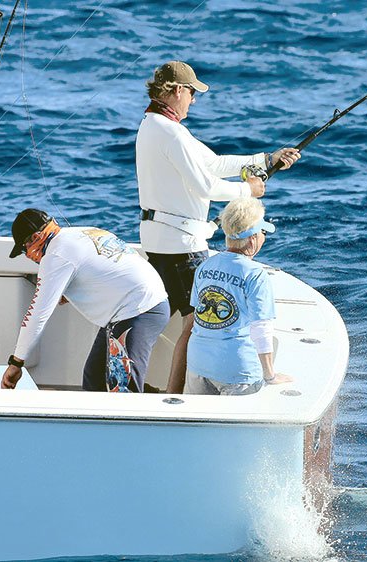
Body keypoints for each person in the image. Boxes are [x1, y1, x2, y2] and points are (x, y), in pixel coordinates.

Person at [136, 60, 300, 394]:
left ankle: (139, 387)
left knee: (153, 317)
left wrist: (266, 160)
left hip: (158, 239)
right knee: (195, 324)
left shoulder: (154, 126)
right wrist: (247, 190)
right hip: (183, 244)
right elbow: (206, 186)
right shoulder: (170, 133)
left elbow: (213, 163)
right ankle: (173, 395)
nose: (194, 100)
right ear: (177, 91)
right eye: (192, 93)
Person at [1, 209, 169, 392]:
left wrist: (16, 363)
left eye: (25, 249)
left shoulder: (55, 256)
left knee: (123, 389)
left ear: (35, 238)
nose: (28, 256)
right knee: (93, 377)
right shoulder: (81, 233)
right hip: (142, 304)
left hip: (138, 310)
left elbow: (37, 316)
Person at [185, 197, 292, 395]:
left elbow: (198, 316)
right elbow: (261, 329)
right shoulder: (255, 274)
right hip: (236, 370)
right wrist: (270, 375)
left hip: (198, 363)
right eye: (262, 232)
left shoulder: (204, 266)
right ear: (253, 238)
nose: (264, 238)